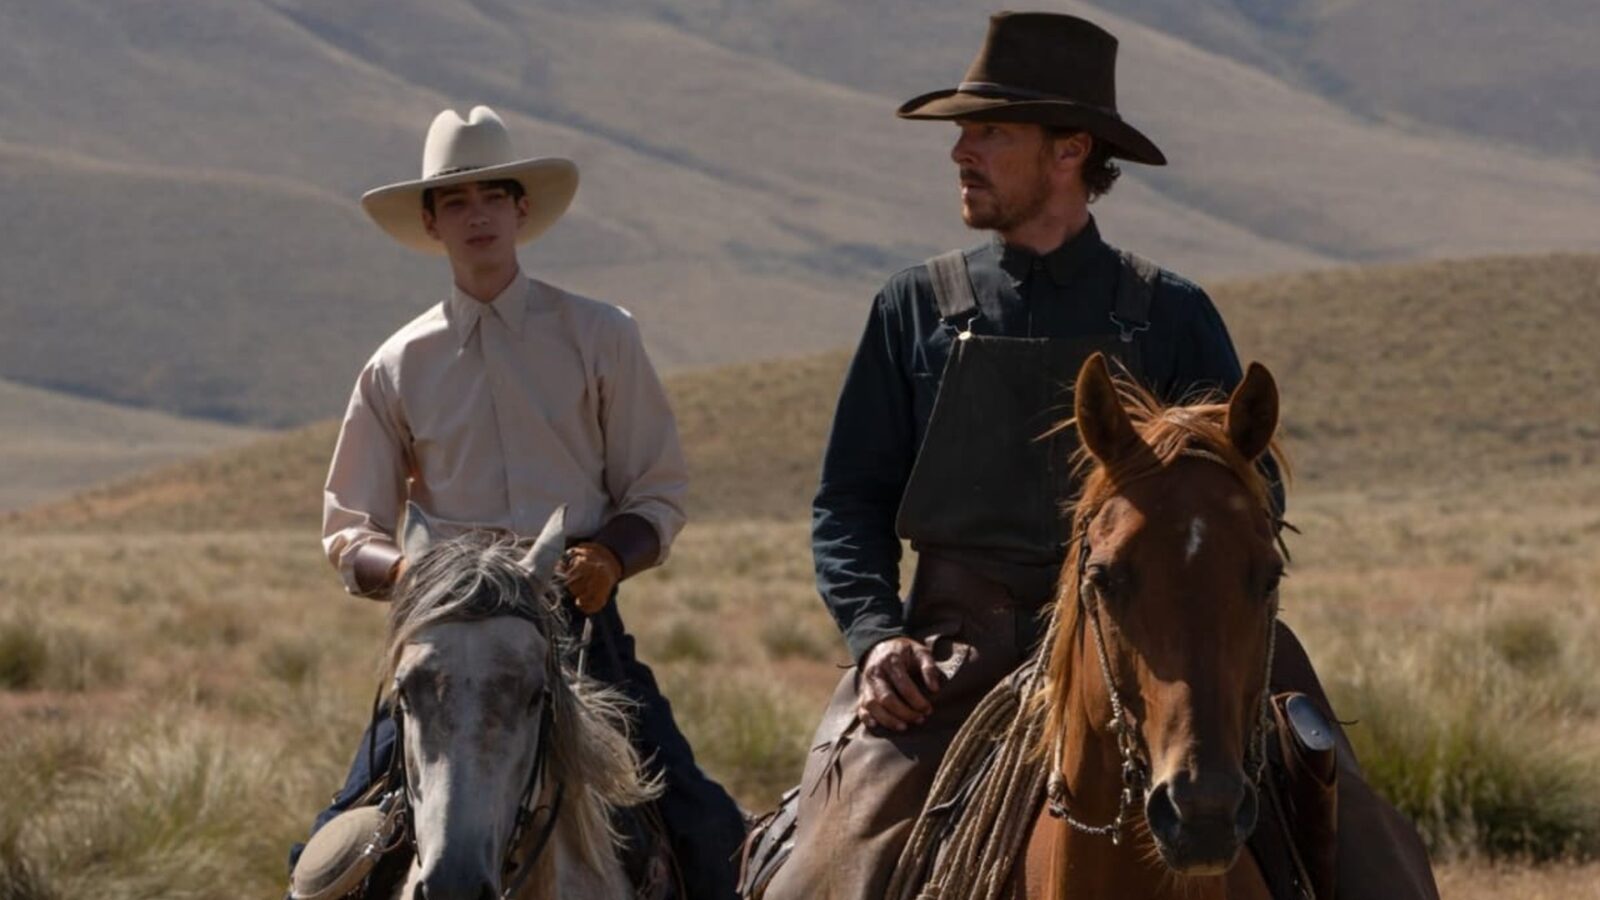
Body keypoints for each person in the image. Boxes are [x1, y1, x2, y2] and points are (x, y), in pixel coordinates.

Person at [765, 13, 1436, 900]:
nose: (961, 152)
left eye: (990, 131)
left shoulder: (1171, 312)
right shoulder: (914, 308)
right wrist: (876, 635)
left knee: (1358, 839)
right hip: (956, 650)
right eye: (964, 133)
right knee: (823, 863)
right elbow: (848, 500)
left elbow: (1254, 492)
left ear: (1070, 150)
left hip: (1171, 641)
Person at [289, 105, 745, 899]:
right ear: (431, 222)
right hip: (445, 647)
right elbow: (348, 529)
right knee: (325, 865)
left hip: (578, 629)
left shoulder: (601, 336)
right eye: (456, 202)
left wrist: (610, 557)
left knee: (711, 837)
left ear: (521, 210)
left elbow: (656, 489)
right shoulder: (396, 365)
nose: (477, 216)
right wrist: (410, 579)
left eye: (492, 197)